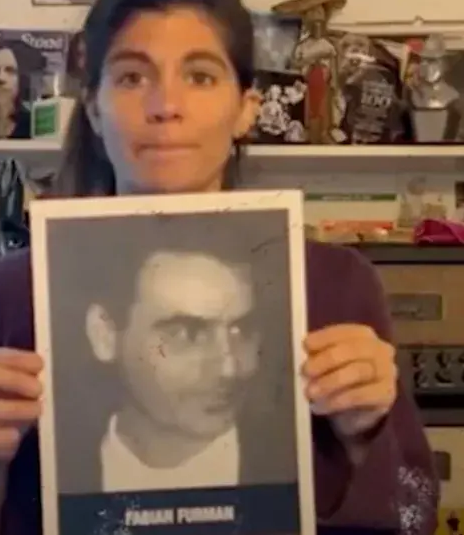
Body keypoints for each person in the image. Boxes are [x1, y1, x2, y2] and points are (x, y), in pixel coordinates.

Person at [0, 0, 438, 535]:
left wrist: (366, 435)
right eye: (132, 77)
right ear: (95, 108)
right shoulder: (13, 293)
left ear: (246, 108)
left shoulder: (335, 284)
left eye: (200, 76)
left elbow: (417, 515)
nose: (165, 105)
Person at [49, 211, 295, 495]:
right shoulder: (49, 469)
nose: (229, 368)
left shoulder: (294, 463)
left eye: (241, 330)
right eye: (186, 334)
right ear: (104, 335)